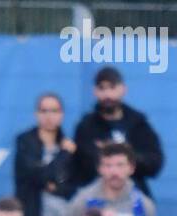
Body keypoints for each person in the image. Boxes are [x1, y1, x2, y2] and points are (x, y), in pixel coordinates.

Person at [70, 67, 164, 197]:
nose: (107, 94)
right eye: (102, 88)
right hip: (96, 201)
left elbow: (155, 164)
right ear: (95, 91)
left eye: (112, 87)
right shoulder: (86, 127)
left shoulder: (139, 124)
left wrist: (127, 155)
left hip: (133, 198)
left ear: (123, 89)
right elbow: (79, 167)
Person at [13, 92, 77, 216]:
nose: (49, 116)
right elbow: (38, 177)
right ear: (36, 114)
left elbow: (75, 186)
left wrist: (55, 188)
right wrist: (63, 155)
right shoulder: (26, 142)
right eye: (44, 111)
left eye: (54, 111)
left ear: (62, 114)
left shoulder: (69, 144)